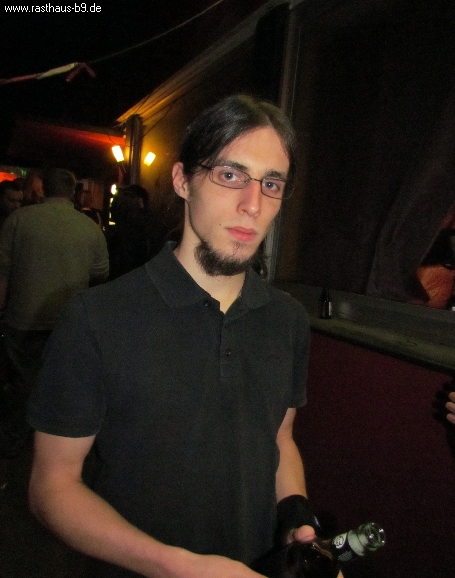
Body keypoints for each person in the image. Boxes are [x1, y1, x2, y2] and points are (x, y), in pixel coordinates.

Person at [27, 95, 336, 578]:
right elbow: (52, 487)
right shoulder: (96, 318)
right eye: (230, 175)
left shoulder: (288, 319)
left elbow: (279, 437)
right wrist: (174, 565)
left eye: (271, 183)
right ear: (182, 180)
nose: (253, 205)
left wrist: (294, 510)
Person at [0, 168, 109, 453]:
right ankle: (53, 444)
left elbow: (3, 271)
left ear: (43, 189)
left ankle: (14, 439)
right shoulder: (88, 227)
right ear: (72, 191)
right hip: (68, 321)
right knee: (62, 385)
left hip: (23, 316)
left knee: (21, 381)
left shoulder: (18, 220)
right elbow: (101, 273)